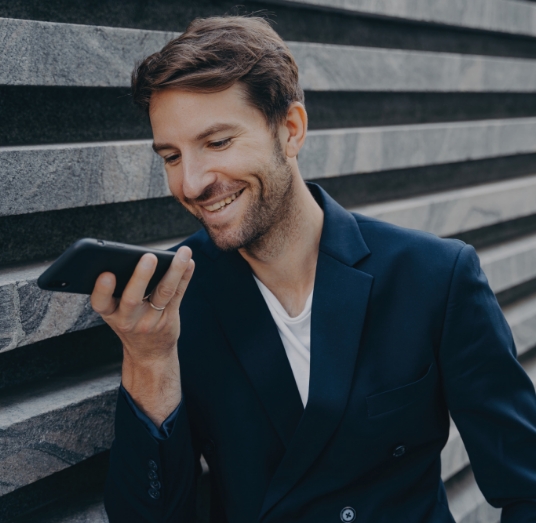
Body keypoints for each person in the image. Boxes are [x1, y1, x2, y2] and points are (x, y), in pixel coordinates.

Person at [91, 16, 536, 523]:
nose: (191, 183)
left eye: (217, 143)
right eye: (171, 156)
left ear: (291, 130)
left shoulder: (434, 276)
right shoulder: (172, 301)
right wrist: (149, 361)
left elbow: (528, 484)